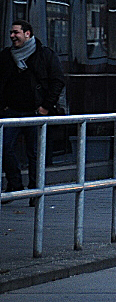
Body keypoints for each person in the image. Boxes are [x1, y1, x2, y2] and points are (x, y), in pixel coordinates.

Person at [0, 20, 65, 202]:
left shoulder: (44, 55)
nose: (12, 36)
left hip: (36, 112)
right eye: (11, 33)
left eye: (16, 32)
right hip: (11, 112)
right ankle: (15, 184)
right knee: (5, 148)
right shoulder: (6, 56)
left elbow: (57, 81)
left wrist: (46, 106)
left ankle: (35, 191)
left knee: (35, 153)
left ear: (27, 33)